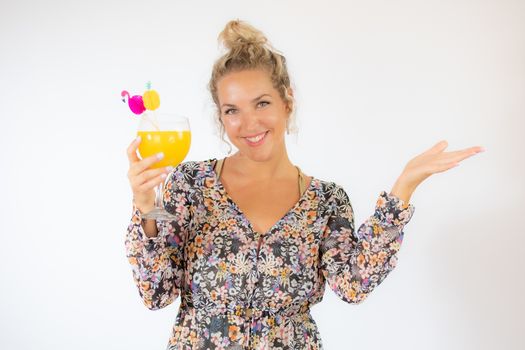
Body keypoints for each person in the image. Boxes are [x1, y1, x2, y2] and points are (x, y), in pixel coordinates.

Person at [124, 19, 484, 350]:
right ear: (221, 115)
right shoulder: (191, 184)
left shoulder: (325, 200)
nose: (248, 123)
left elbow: (353, 285)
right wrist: (145, 205)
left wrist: (404, 186)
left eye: (261, 103)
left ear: (287, 101)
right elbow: (156, 293)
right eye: (232, 110)